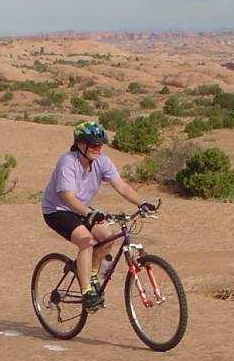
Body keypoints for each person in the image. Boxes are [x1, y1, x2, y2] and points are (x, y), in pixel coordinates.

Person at [41, 121, 153, 310]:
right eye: (92, 144)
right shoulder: (68, 162)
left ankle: (91, 273)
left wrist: (141, 203)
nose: (96, 149)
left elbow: (122, 186)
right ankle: (87, 292)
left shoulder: (102, 161)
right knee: (86, 241)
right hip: (57, 210)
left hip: (82, 208)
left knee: (108, 237)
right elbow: (68, 198)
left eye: (99, 145)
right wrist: (90, 213)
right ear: (79, 144)